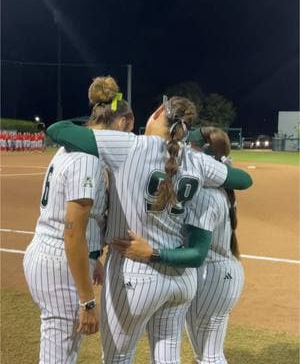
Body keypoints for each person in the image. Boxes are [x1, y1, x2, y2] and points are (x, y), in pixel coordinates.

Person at [47, 95, 252, 364]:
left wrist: (98, 117)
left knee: (118, 358)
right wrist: (214, 169)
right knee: (167, 357)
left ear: (157, 113)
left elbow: (58, 130)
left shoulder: (129, 145)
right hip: (182, 280)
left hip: (134, 270)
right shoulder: (196, 160)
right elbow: (243, 180)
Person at [23, 75, 134, 364]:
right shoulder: (88, 158)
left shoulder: (69, 147)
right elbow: (72, 234)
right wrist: (87, 301)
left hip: (52, 254)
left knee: (63, 348)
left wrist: (92, 258)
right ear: (122, 122)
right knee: (59, 355)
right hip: (59, 261)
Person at [113, 126, 244, 364]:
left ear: (203, 153)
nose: (185, 154)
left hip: (211, 274)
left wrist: (153, 253)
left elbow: (196, 254)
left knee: (209, 356)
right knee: (209, 353)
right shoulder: (218, 187)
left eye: (191, 148)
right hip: (225, 271)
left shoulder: (205, 194)